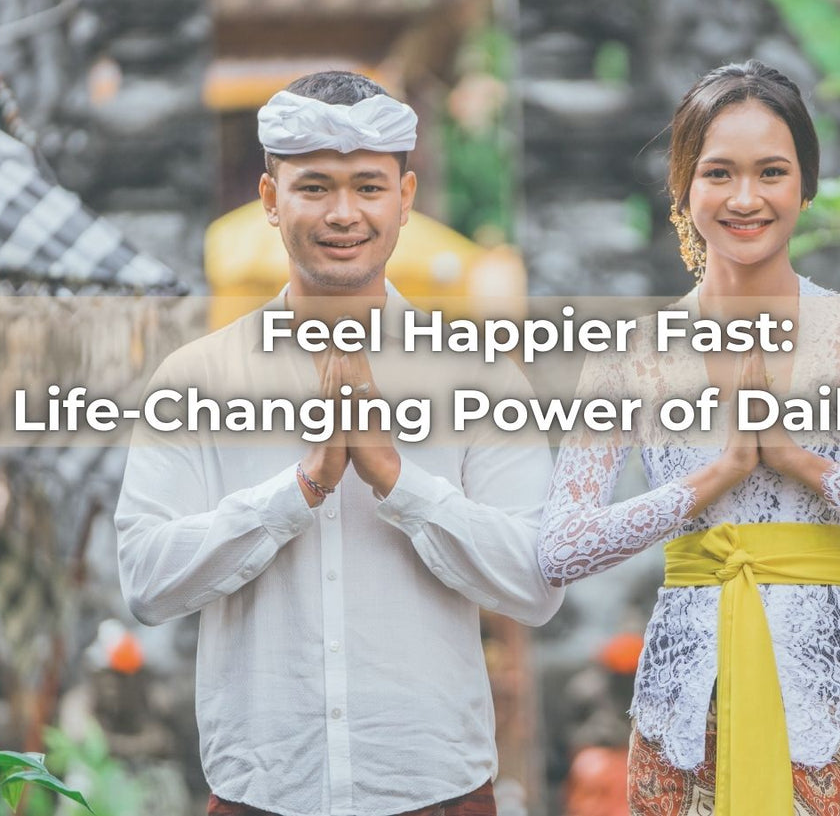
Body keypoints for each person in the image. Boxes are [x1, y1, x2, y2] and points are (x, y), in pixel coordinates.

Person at [538, 60, 840, 816]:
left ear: (806, 187)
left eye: (772, 172)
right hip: (685, 707)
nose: (745, 198)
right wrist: (709, 480)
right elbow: (561, 546)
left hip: (835, 708)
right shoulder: (633, 351)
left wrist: (805, 464)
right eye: (719, 172)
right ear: (684, 187)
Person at [114, 71, 562, 816]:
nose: (344, 212)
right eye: (314, 186)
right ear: (268, 198)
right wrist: (300, 488)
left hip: (438, 793)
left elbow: (539, 582)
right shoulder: (195, 377)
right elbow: (146, 580)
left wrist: (397, 479)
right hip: (262, 795)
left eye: (368, 187)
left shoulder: (481, 374)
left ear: (406, 197)